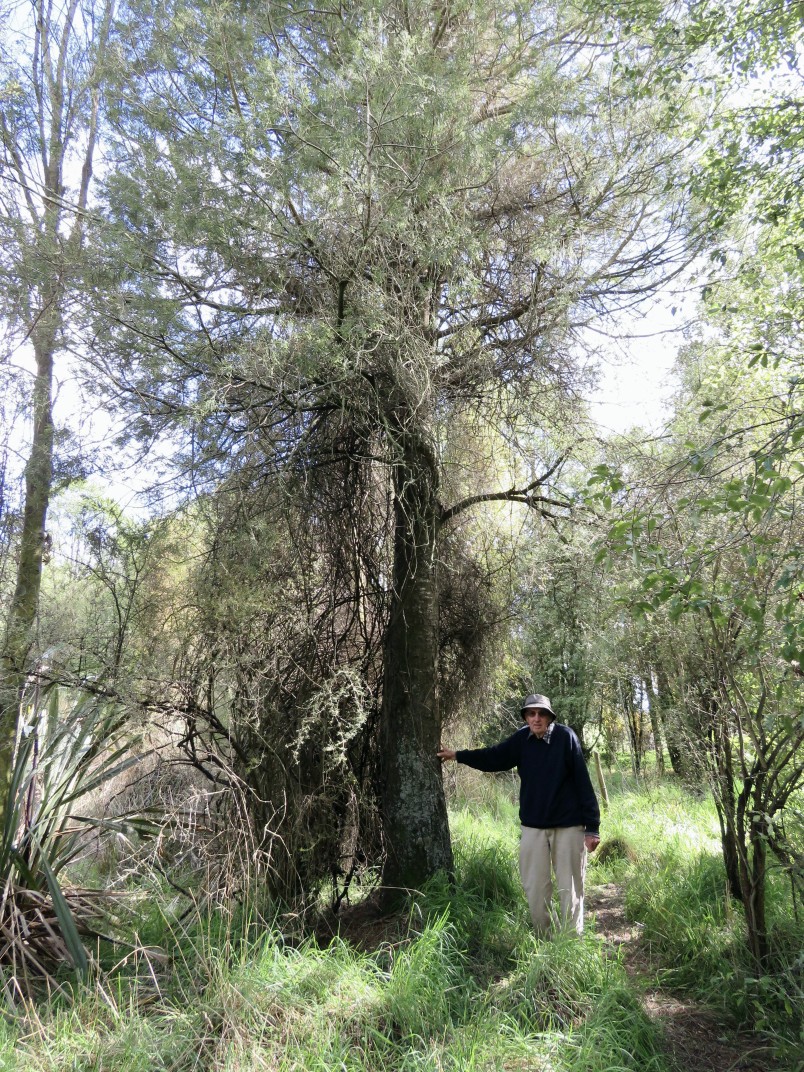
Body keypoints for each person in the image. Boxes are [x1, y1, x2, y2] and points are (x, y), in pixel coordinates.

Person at [437, 693, 600, 935]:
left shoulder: (566, 738)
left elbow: (582, 781)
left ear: (549, 717)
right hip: (533, 828)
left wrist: (592, 828)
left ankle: (570, 943)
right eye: (531, 713)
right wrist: (458, 755)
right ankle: (545, 938)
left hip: (569, 827)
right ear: (525, 717)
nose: (536, 718)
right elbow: (494, 757)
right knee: (535, 889)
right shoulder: (521, 740)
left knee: (570, 889)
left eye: (541, 713)